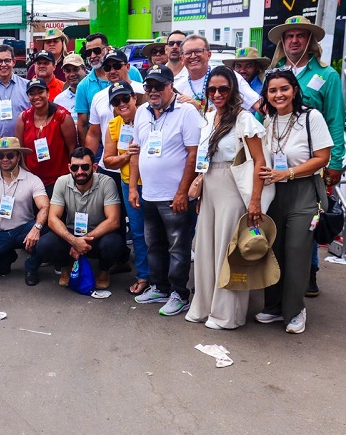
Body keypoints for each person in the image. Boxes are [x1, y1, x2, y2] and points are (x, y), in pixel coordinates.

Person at [268, 15, 346, 297]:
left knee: (309, 217)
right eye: (289, 36)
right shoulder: (273, 73)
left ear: (310, 41)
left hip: (313, 160)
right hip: (277, 163)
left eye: (301, 35)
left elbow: (336, 118)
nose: (295, 40)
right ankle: (277, 278)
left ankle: (309, 271)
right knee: (280, 218)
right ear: (283, 42)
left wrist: (335, 161)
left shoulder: (327, 75)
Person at [185, 66, 268, 330]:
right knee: (206, 249)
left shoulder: (245, 120)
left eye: (223, 88)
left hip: (234, 188)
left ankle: (226, 314)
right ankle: (205, 306)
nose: (217, 94)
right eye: (212, 89)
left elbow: (259, 162)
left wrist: (255, 200)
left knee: (227, 250)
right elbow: (204, 159)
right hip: (210, 187)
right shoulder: (209, 118)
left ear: (233, 89)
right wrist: (200, 185)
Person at [255, 69, 332, 334]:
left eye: (284, 89)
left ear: (295, 90)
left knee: (297, 251)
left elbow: (322, 158)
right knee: (273, 250)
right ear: (266, 95)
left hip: (304, 192)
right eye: (272, 90)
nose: (279, 95)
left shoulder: (311, 117)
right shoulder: (267, 121)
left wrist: (286, 173)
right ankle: (274, 306)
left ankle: (295, 310)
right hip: (274, 193)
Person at [129, 65, 202, 317]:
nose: (152, 91)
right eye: (149, 86)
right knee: (154, 245)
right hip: (149, 193)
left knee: (178, 248)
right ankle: (160, 287)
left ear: (171, 86)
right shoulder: (141, 113)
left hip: (174, 196)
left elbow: (194, 154)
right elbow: (136, 151)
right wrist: (133, 187)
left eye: (159, 86)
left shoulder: (187, 112)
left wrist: (183, 192)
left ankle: (180, 293)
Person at [24, 147, 127, 288]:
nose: (80, 172)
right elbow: (52, 219)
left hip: (97, 235)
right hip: (71, 235)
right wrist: (73, 240)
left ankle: (104, 270)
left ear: (95, 167)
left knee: (114, 243)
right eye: (75, 167)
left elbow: (114, 221)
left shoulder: (107, 182)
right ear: (69, 168)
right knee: (44, 244)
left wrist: (82, 240)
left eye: (85, 167)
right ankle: (66, 266)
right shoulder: (61, 182)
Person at [0, 137, 49, 277]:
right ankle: (7, 258)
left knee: (48, 229)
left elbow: (44, 207)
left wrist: (36, 229)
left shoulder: (32, 179)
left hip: (25, 229)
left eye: (10, 155)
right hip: (0, 232)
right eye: (0, 155)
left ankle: (31, 267)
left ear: (18, 156)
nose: (5, 159)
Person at [102, 81, 149, 296]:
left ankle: (164, 277)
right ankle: (144, 276)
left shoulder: (149, 116)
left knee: (160, 233)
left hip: (154, 184)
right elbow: (108, 160)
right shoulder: (114, 125)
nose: (121, 104)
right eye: (116, 101)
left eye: (125, 98)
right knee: (138, 233)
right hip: (129, 184)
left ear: (134, 98)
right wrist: (126, 156)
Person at [75, 33, 143, 143]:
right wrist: (87, 156)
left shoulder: (136, 77)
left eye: (97, 51)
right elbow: (87, 127)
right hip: (106, 148)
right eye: (88, 52)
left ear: (127, 67)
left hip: (139, 147)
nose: (92, 56)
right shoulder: (85, 87)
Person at [15, 78, 76, 199]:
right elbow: (19, 150)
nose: (36, 96)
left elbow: (72, 149)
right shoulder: (23, 118)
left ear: (48, 94)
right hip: (32, 180)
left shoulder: (62, 116)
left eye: (40, 92)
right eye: (32, 94)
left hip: (59, 180)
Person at [174, 35, 260, 113]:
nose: (193, 56)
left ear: (209, 54)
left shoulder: (228, 76)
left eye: (198, 51)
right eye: (188, 53)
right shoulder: (177, 87)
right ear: (181, 58)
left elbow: (260, 106)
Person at [53, 53, 86, 123]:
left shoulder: (94, 94)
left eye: (75, 69)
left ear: (84, 69)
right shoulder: (59, 100)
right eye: (68, 71)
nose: (72, 74)